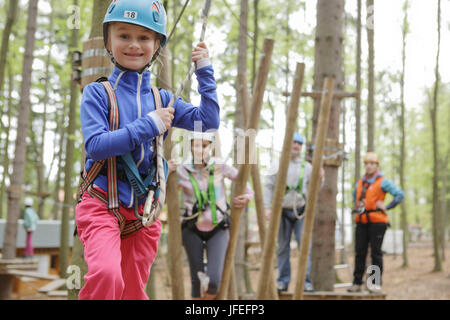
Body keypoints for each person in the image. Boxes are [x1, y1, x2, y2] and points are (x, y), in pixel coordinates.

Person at [75, 0, 220, 300]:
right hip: (102, 204)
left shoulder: (163, 98)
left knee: (132, 291)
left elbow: (207, 123)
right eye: (124, 35)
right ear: (108, 41)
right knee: (106, 274)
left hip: (143, 214)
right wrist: (148, 125)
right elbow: (96, 146)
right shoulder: (98, 94)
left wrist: (204, 71)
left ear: (157, 45)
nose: (133, 45)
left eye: (144, 38)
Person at [168, 132, 253, 299]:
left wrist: (248, 196)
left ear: (210, 148)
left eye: (205, 145)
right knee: (196, 281)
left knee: (213, 282)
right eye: (197, 145)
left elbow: (242, 179)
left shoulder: (219, 166)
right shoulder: (182, 170)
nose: (201, 149)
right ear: (191, 147)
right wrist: (165, 171)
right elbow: (164, 199)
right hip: (192, 228)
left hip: (218, 227)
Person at [264, 133, 324, 293]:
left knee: (305, 247)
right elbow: (268, 186)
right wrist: (267, 207)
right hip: (281, 211)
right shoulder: (277, 165)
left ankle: (306, 282)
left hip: (301, 212)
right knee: (283, 247)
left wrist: (321, 178)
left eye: (299, 143)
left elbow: (316, 187)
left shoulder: (308, 167)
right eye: (293, 142)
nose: (296, 146)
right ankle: (283, 281)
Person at [348, 152, 404, 294]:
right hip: (361, 221)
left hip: (377, 222)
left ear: (376, 166)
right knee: (359, 252)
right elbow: (356, 197)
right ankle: (357, 282)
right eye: (367, 163)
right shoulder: (360, 182)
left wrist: (387, 206)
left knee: (375, 253)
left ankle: (374, 284)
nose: (369, 166)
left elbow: (399, 194)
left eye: (372, 164)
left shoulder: (383, 181)